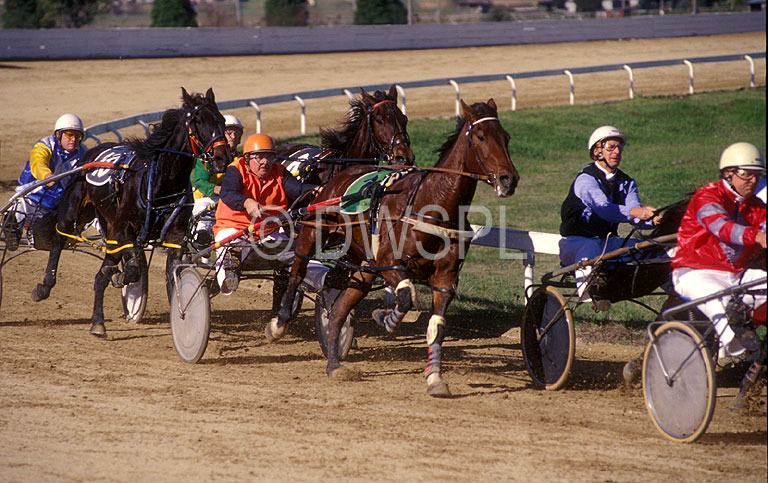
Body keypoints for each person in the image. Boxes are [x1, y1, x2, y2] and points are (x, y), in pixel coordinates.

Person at [670, 142, 766, 408]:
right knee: (712, 294)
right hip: (693, 271)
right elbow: (721, 228)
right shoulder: (707, 196)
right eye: (747, 174)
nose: (753, 180)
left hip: (735, 275)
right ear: (729, 173)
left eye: (757, 175)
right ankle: (730, 341)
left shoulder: (757, 206)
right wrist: (755, 236)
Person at [558, 125, 662, 306]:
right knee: (589, 246)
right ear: (597, 151)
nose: (617, 152)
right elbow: (603, 209)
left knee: (653, 248)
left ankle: (675, 293)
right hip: (576, 244)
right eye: (611, 147)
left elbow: (636, 218)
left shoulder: (628, 182)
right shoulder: (585, 179)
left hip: (607, 244)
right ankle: (591, 294)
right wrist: (634, 212)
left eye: (619, 147)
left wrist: (653, 221)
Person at [212, 133, 325, 296]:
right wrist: (246, 202)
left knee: (299, 253)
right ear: (247, 158)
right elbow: (228, 193)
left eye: (270, 157)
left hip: (268, 231)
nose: (265, 162)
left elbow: (297, 189)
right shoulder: (235, 169)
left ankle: (324, 278)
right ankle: (229, 275)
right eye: (259, 157)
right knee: (231, 249)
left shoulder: (279, 171)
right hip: (233, 228)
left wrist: (315, 190)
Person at [4, 114, 88, 251]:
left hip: (57, 208)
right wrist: (47, 176)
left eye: (77, 136)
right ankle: (11, 230)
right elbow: (38, 163)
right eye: (69, 135)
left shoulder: (83, 152)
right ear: (58, 134)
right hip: (32, 198)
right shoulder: (45, 146)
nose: (73, 140)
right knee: (20, 206)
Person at [191, 114, 244, 244]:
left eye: (236, 132)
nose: (233, 136)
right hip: (207, 198)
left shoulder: (243, 160)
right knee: (203, 210)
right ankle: (201, 238)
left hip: (232, 199)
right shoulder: (206, 159)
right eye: (229, 132)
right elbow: (199, 181)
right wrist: (216, 189)